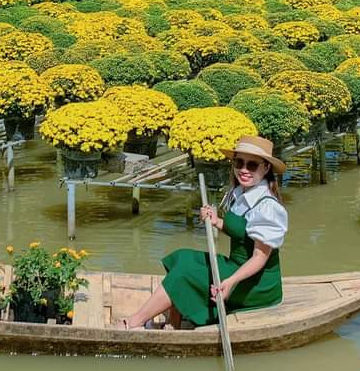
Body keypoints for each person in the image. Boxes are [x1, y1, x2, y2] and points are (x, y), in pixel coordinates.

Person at [120, 135, 288, 329]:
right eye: (239, 162)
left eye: (252, 165)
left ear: (266, 168)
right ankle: (173, 322)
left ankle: (134, 322)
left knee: (185, 273)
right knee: (182, 258)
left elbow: (259, 257)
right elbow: (242, 232)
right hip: (236, 266)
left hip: (255, 283)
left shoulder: (268, 208)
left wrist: (230, 281)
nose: (243, 169)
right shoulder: (241, 192)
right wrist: (216, 221)